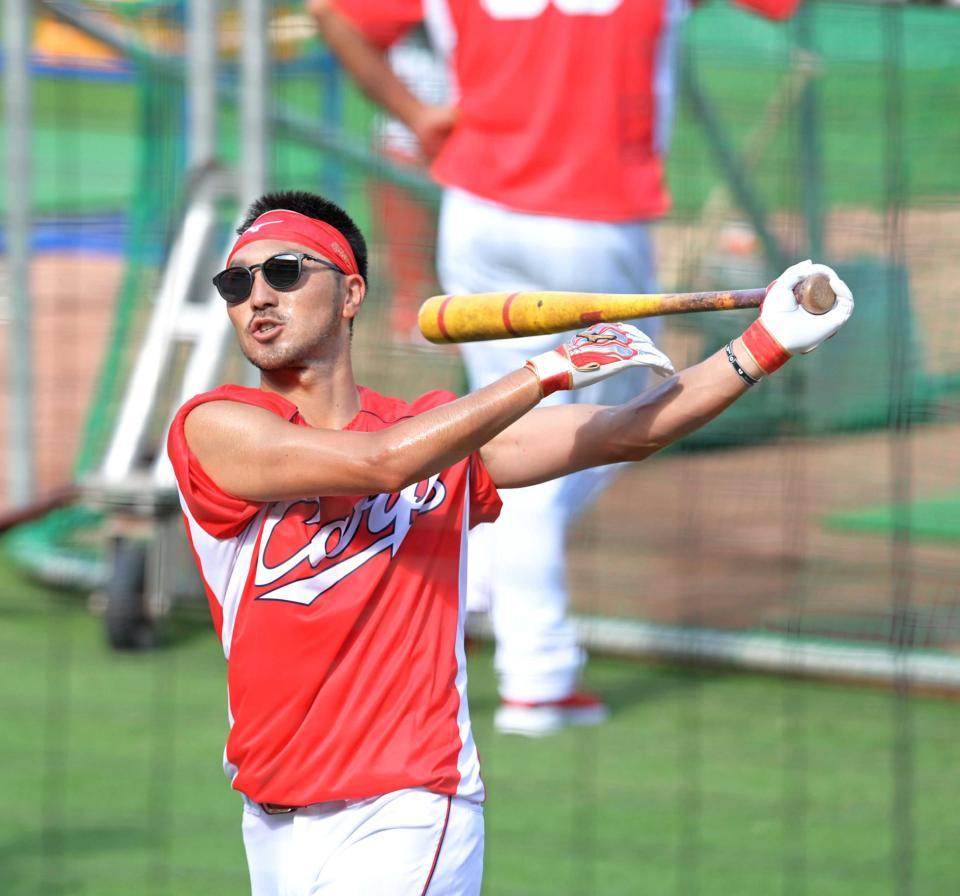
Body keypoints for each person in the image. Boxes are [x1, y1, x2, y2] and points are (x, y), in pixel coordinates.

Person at [166, 188, 852, 895]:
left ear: (350, 294)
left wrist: (766, 343)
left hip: (407, 808)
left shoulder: (447, 439)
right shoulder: (215, 428)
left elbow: (627, 430)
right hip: (270, 821)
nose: (257, 296)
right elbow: (382, 463)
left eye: (284, 272)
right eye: (236, 282)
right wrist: (545, 372)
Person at [307, 0, 802, 735]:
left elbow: (333, 14)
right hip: (592, 221)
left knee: (504, 422)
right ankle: (538, 675)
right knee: (623, 421)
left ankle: (472, 562)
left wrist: (416, 112)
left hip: (478, 216)